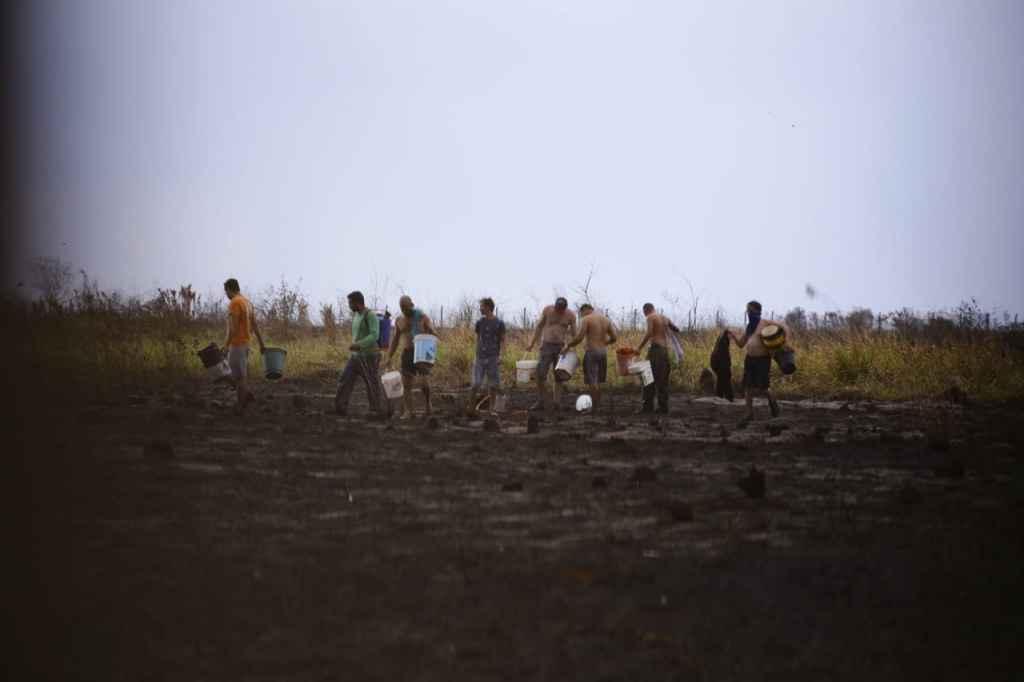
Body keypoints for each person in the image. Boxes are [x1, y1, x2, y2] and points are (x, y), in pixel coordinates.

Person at [728, 300, 785, 425]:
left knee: (763, 387)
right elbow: (741, 344)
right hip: (750, 359)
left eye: (750, 310)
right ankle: (749, 414)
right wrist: (732, 335)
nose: (748, 313)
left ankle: (774, 405)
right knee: (748, 387)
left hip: (763, 360)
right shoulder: (749, 327)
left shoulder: (765, 323)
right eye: (747, 311)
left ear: (757, 311)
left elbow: (781, 330)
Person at [385, 295, 439, 419]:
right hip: (407, 353)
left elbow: (433, 332)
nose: (404, 309)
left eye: (406, 306)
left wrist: (431, 331)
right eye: (402, 307)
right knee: (406, 384)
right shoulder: (399, 320)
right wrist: (389, 356)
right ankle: (409, 411)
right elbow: (395, 340)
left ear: (412, 304)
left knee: (424, 383)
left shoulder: (421, 317)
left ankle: (428, 405)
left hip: (421, 352)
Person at [334, 290, 385, 418]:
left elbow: (375, 335)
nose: (349, 306)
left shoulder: (370, 315)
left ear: (357, 303)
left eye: (350, 303)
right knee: (345, 379)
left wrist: (359, 344)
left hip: (370, 356)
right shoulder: (356, 316)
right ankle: (340, 408)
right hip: (356, 356)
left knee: (371, 383)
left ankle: (375, 410)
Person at [525, 296, 577, 411]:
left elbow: (575, 335)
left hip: (561, 348)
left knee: (559, 376)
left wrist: (569, 348)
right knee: (540, 374)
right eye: (557, 308)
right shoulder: (548, 310)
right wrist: (531, 343)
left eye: (561, 309)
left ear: (565, 308)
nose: (559, 311)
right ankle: (541, 401)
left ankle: (557, 403)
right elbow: (539, 327)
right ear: (555, 305)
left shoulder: (570, 315)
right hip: (546, 346)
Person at [222, 278, 265, 415]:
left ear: (229, 289)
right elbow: (255, 326)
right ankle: (246, 395)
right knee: (240, 376)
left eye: (226, 292)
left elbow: (233, 328)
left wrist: (225, 345)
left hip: (237, 344)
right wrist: (261, 344)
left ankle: (241, 405)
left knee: (235, 377)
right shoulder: (247, 302)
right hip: (246, 344)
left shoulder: (234, 303)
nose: (226, 295)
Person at [562, 303, 617, 412]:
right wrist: (605, 343)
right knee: (599, 381)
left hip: (591, 352)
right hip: (602, 352)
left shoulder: (586, 319)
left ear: (584, 310)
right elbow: (614, 337)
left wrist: (568, 346)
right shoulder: (605, 319)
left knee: (592, 381)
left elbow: (580, 337)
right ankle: (598, 405)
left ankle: (594, 408)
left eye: (581, 313)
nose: (581, 316)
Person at [635, 303, 677, 414]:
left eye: (644, 312)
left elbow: (649, 333)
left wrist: (639, 348)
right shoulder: (665, 318)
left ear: (646, 310)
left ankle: (647, 407)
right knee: (662, 380)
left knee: (647, 377)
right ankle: (663, 408)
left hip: (655, 350)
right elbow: (675, 329)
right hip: (665, 351)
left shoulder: (650, 317)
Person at [467, 297, 506, 415]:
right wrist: (476, 354)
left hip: (493, 356)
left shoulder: (499, 323)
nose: (480, 309)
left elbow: (503, 340)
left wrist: (501, 356)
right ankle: (471, 409)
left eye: (482, 306)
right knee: (475, 384)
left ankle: (491, 409)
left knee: (493, 384)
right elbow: (478, 339)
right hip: (480, 356)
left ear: (488, 307)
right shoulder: (480, 323)